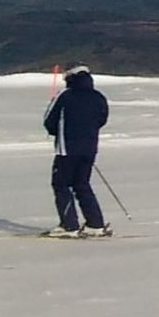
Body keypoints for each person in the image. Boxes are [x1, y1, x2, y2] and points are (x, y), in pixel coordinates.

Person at [43, 65, 111, 237]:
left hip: (67, 149)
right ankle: (95, 224)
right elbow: (102, 119)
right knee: (82, 184)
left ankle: (69, 225)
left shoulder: (65, 95)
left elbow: (49, 121)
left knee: (61, 185)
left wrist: (62, 131)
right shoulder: (98, 97)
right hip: (89, 148)